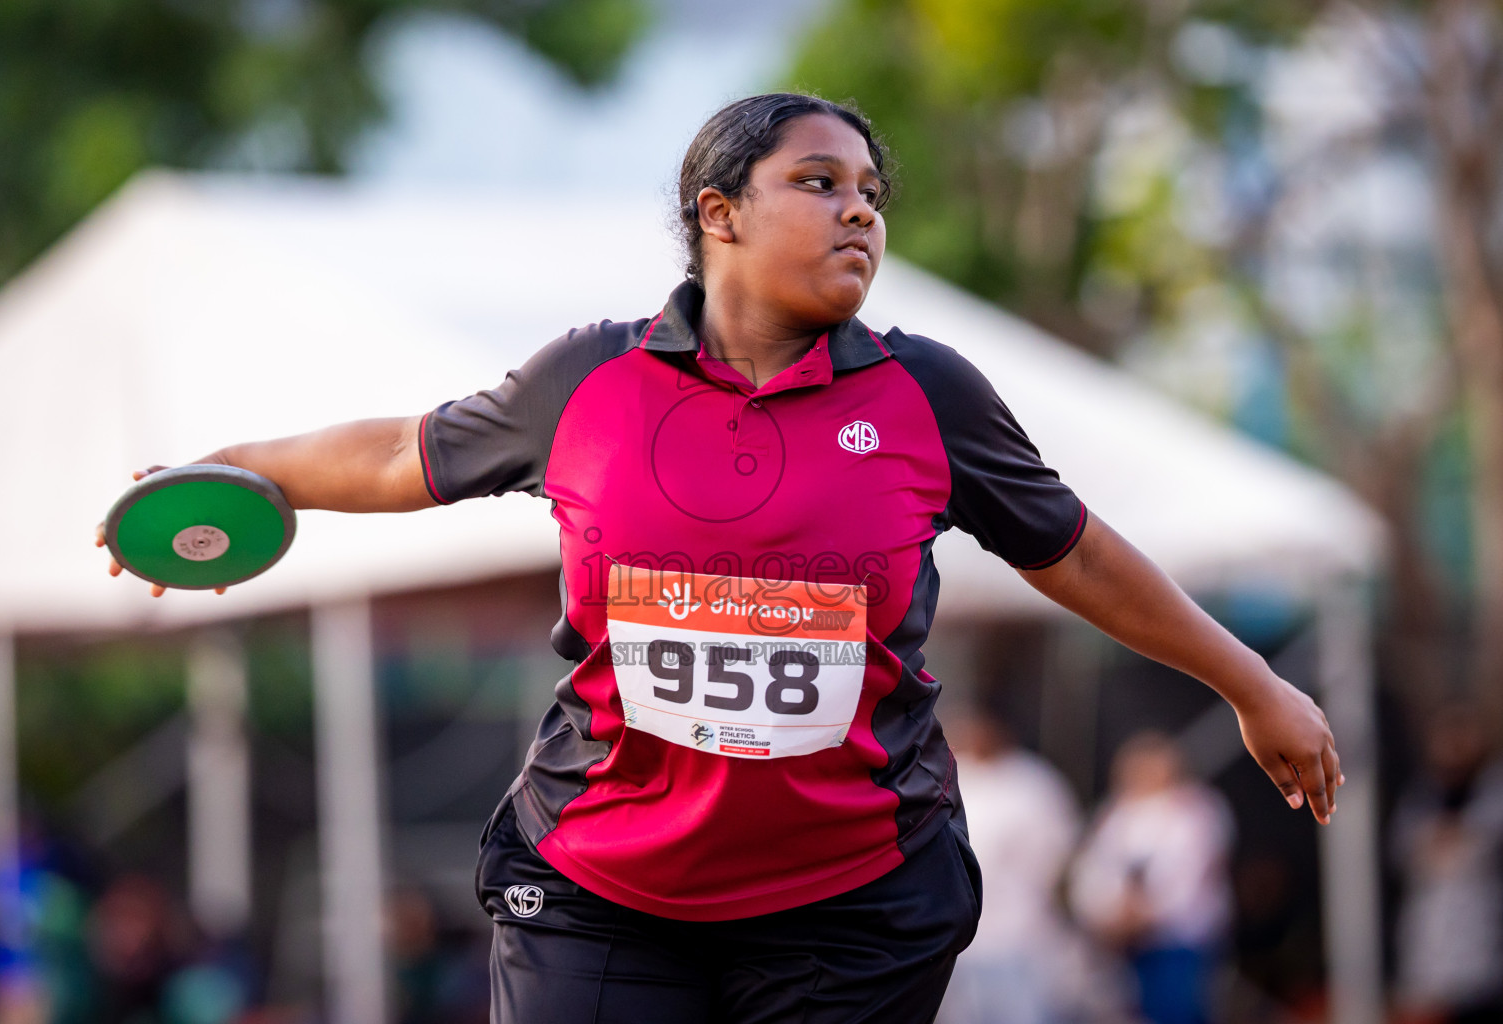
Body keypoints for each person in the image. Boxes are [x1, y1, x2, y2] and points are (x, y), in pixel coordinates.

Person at [96, 93, 1342, 1024]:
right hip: (598, 890)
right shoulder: (591, 380)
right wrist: (228, 471)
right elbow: (398, 455)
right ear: (720, 212)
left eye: (872, 191)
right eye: (820, 181)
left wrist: (1255, 684)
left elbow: (1079, 555)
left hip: (853, 905)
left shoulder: (927, 396)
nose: (861, 207)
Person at [1068, 732, 1235, 1024]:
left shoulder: (1197, 809)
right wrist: (1104, 912)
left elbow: (1190, 877)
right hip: (1120, 944)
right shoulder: (1115, 815)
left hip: (1177, 943)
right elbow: (1092, 872)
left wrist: (1144, 914)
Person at [935, 711, 1085, 1024]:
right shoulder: (947, 776)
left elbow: (1058, 858)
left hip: (1020, 935)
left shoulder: (1031, 781)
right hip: (959, 940)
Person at [1390, 703, 1503, 1023]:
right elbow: (1406, 851)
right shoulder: (1419, 799)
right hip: (1430, 961)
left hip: (1487, 962)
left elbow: (1478, 843)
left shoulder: (1493, 794)